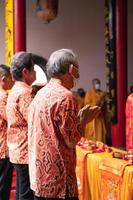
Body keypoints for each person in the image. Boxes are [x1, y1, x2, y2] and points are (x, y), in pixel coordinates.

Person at [28, 49, 100, 200]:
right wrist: (83, 121)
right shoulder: (65, 96)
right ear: (71, 69)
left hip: (40, 175)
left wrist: (77, 119)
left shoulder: (40, 93)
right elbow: (71, 140)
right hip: (59, 179)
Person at [6, 52, 36, 200]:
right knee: (26, 194)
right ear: (25, 72)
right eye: (34, 69)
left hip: (16, 147)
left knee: (20, 191)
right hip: (25, 149)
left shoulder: (14, 90)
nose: (35, 72)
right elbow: (33, 119)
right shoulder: (25, 92)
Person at [0, 64, 14, 200]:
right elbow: (11, 119)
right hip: (3, 148)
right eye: (11, 78)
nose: (13, 81)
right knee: (3, 187)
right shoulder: (3, 97)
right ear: (4, 79)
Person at [84, 78, 106, 142]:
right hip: (92, 118)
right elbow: (87, 105)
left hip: (100, 117)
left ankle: (101, 146)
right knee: (92, 135)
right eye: (96, 83)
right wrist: (98, 101)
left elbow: (105, 106)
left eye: (99, 83)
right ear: (93, 84)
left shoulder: (102, 93)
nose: (98, 85)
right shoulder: (89, 93)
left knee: (100, 133)